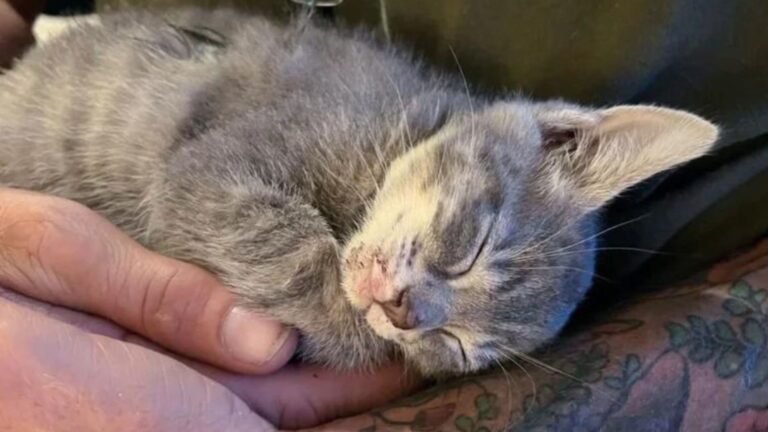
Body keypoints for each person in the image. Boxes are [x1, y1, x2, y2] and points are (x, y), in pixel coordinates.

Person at [2, 1, 767, 431]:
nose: (413, 315)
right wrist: (337, 320)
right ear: (556, 137)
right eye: (469, 251)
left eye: (453, 344)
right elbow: (198, 189)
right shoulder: (374, 122)